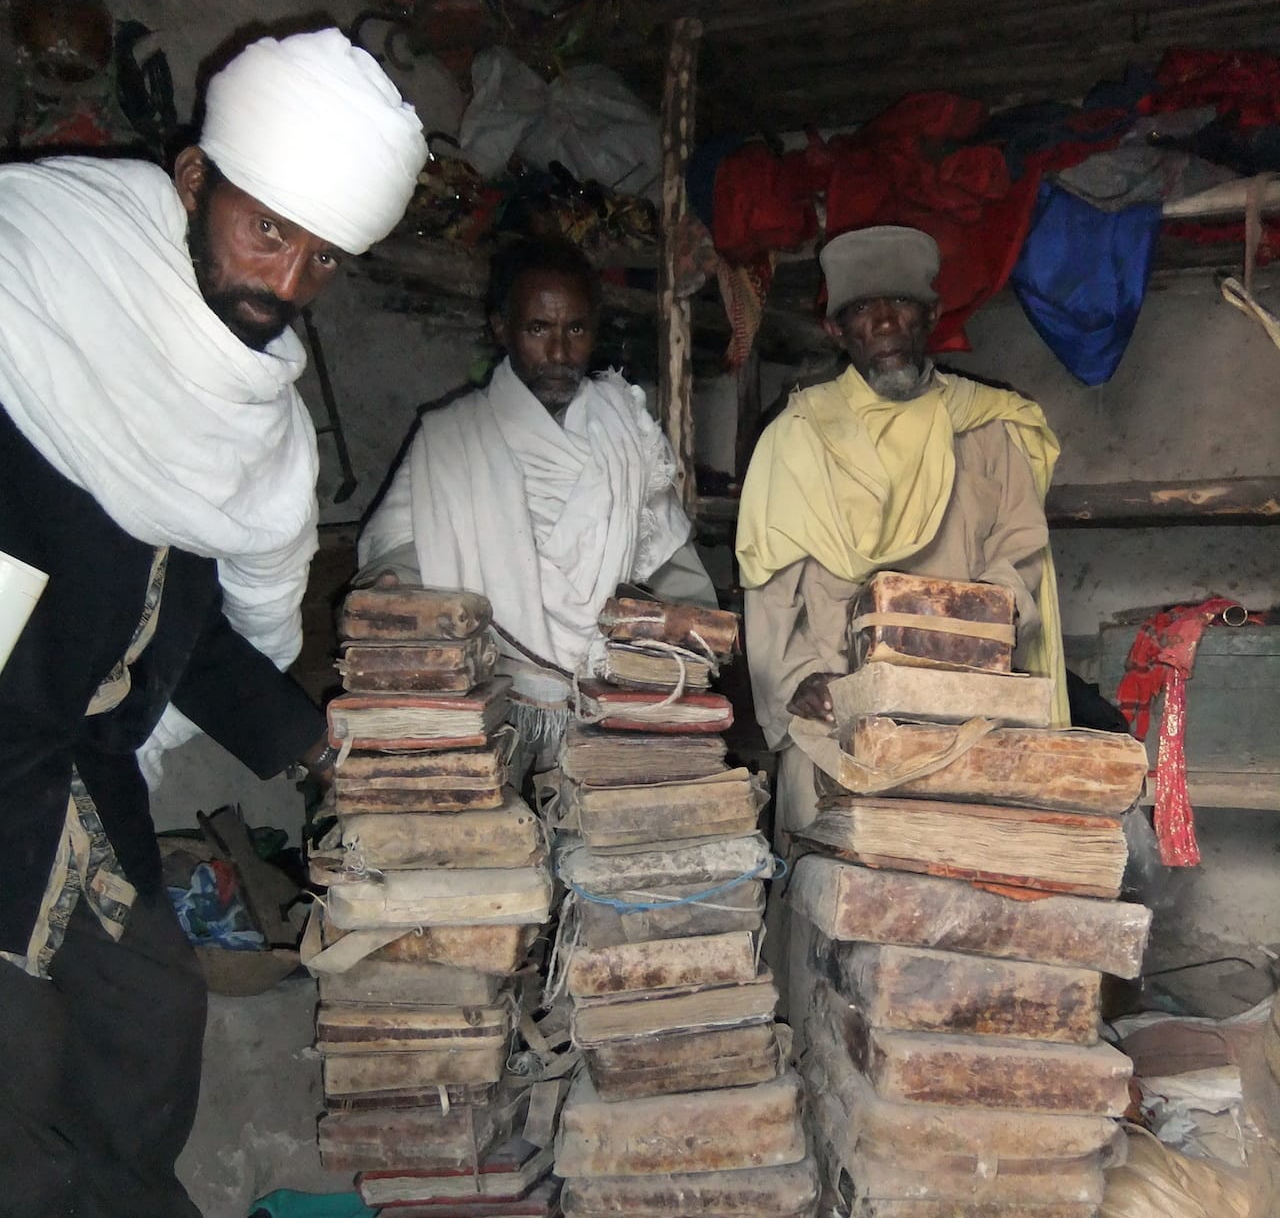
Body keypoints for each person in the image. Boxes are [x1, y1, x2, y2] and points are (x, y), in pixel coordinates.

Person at [0, 28, 426, 1218]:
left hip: (68, 773)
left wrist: (319, 740)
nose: (285, 281)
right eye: (265, 229)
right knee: (7, 1092)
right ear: (193, 180)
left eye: (320, 257)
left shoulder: (229, 412)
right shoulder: (33, 300)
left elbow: (173, 626)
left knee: (147, 1010)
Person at [736, 224, 1067, 843]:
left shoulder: (988, 426)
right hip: (837, 712)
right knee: (832, 901)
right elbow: (771, 589)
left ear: (932, 316)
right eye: (862, 309)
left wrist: (964, 641)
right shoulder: (797, 436)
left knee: (948, 896)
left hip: (963, 718)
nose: (885, 323)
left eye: (901, 305)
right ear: (836, 330)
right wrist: (797, 682)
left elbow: (1020, 556)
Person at [359, 236, 716, 766]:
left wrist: (680, 647)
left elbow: (673, 574)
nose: (557, 353)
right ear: (501, 328)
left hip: (609, 705)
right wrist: (393, 592)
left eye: (575, 329)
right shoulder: (453, 438)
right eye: (537, 329)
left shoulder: (629, 435)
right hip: (486, 706)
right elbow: (399, 558)